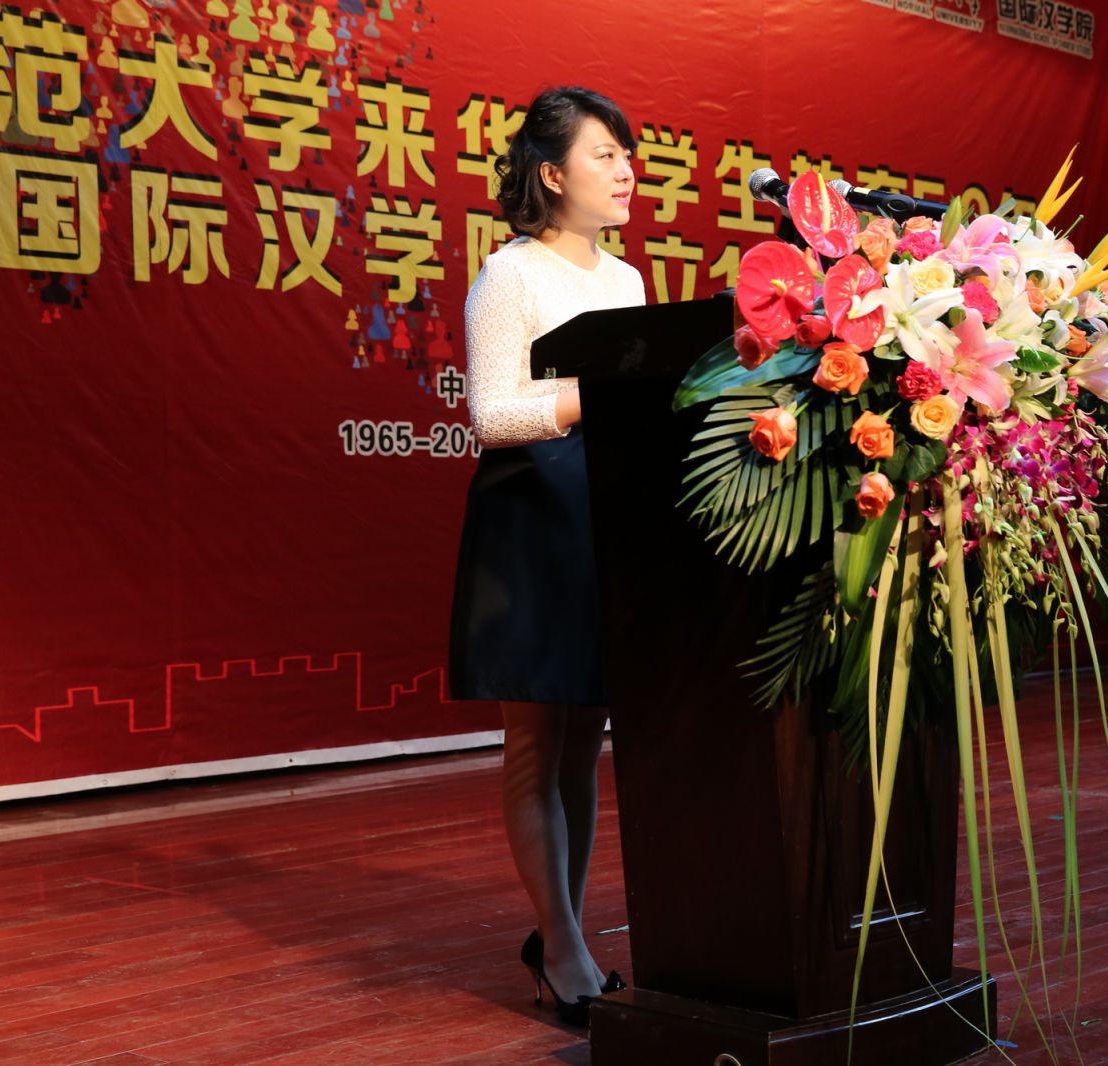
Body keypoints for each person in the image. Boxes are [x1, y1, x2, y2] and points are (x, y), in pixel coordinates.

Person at [446, 86, 644, 1026]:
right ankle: (560, 947)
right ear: (554, 174)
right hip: (531, 518)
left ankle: (568, 933)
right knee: (535, 745)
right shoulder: (509, 275)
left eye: (628, 156)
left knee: (584, 744)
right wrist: (597, 394)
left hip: (604, 515)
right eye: (606, 155)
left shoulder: (627, 281)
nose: (626, 172)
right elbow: (492, 414)